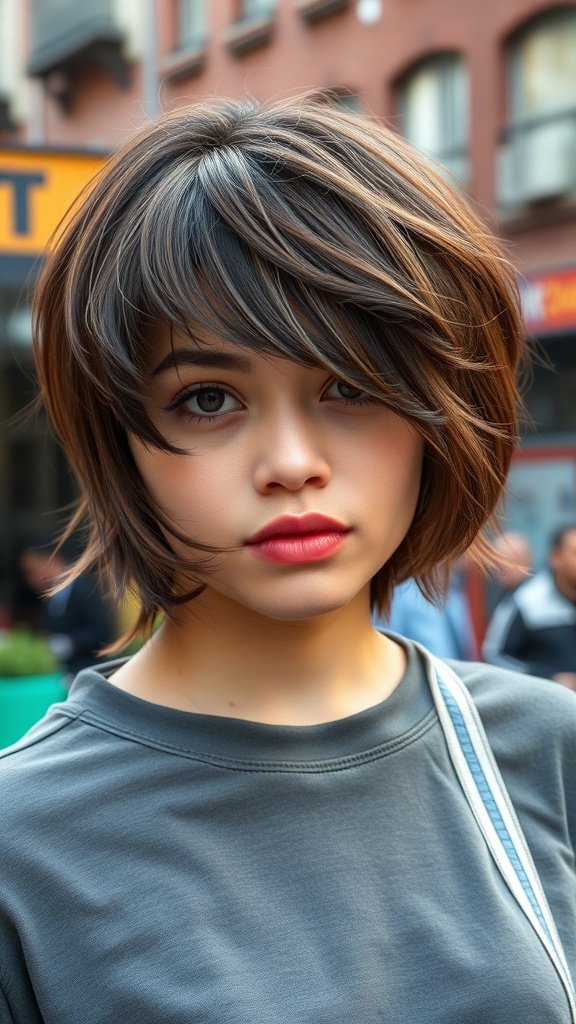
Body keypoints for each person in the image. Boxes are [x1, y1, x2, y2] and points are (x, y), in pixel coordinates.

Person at [0, 96, 575, 1024]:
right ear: (120, 438)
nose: (291, 464)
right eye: (209, 398)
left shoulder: (544, 750)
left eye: (349, 384)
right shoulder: (22, 844)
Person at [483, 523, 576, 689]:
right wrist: (548, 678)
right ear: (556, 557)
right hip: (546, 707)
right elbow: (494, 656)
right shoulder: (527, 601)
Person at [17, 536, 118, 677]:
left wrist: (70, 643)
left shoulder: (84, 588)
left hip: (91, 672)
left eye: (31, 570)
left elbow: (105, 630)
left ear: (51, 561)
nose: (29, 579)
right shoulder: (49, 596)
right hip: (63, 674)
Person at [380, 560, 478, 660]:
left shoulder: (455, 592)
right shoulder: (402, 592)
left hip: (452, 672)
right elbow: (386, 640)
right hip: (419, 671)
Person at [484, 530, 532, 617]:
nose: (497, 570)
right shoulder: (501, 592)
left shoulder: (531, 599)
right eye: (495, 563)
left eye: (503, 565)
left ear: (524, 562)